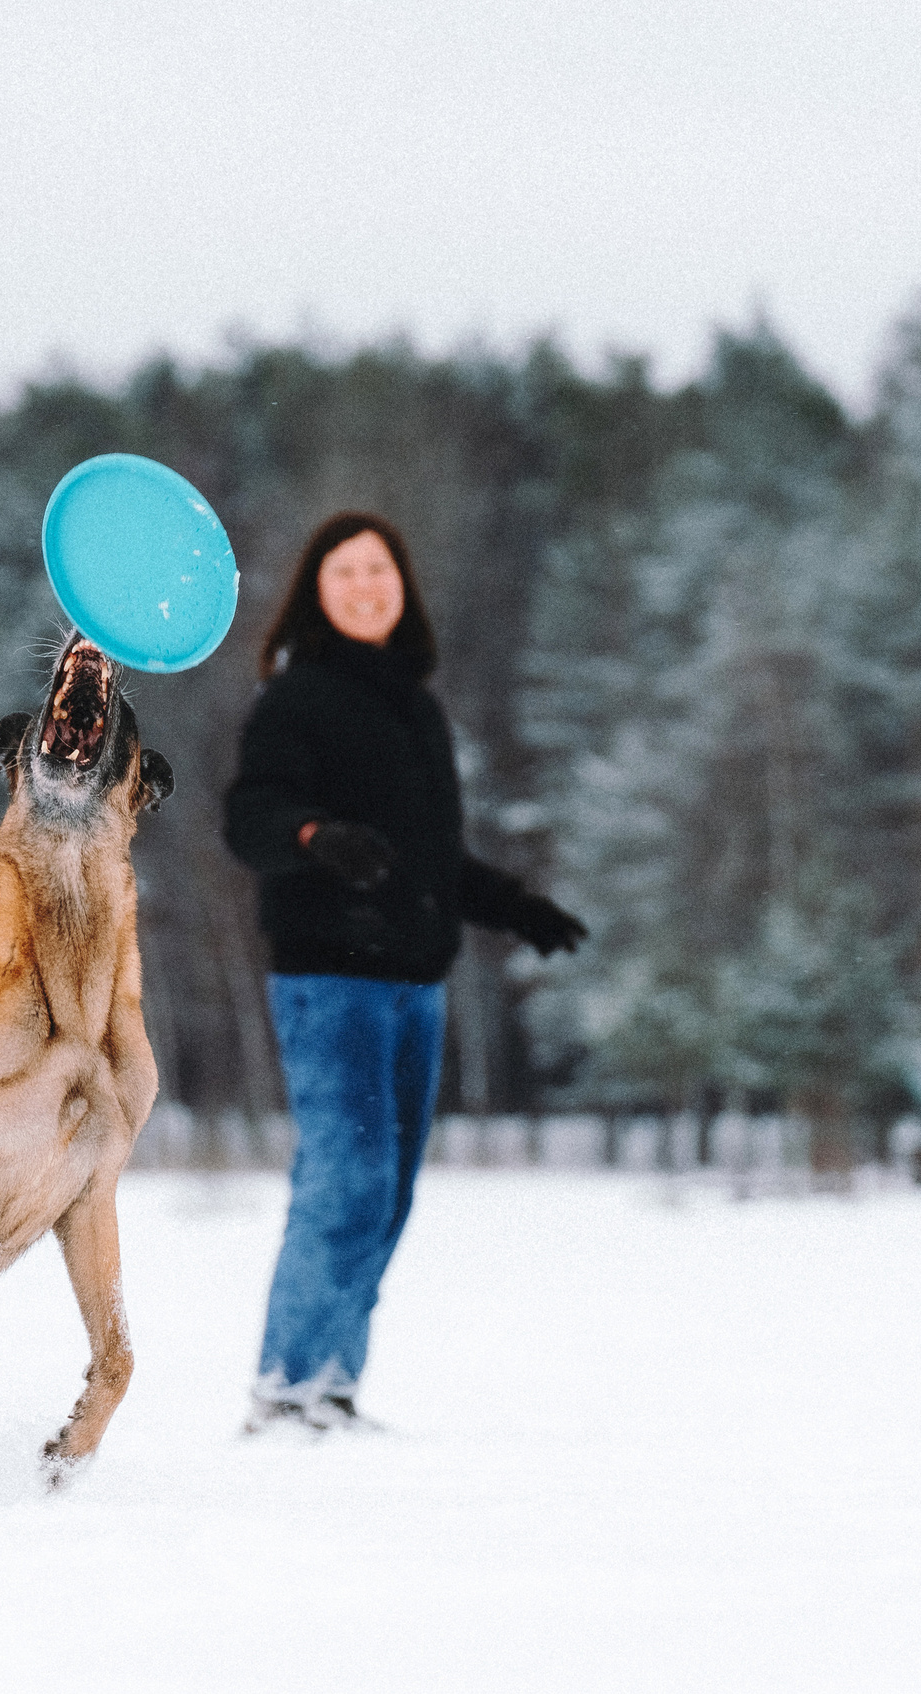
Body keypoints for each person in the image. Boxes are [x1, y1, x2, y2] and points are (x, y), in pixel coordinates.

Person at [223, 511, 587, 1434]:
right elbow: (251, 817)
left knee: (386, 1191)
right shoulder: (295, 700)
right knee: (345, 1179)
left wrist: (516, 908)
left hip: (415, 983)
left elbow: (431, 858)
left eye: (378, 568)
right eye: (343, 571)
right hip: (330, 980)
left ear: (402, 586)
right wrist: (315, 837)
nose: (363, 585)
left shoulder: (418, 709)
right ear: (317, 590)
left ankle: (333, 1386)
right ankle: (287, 1388)